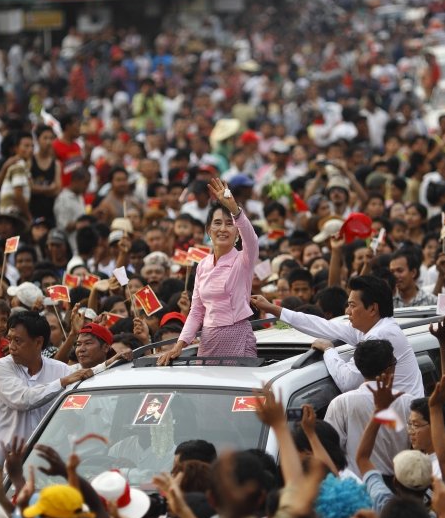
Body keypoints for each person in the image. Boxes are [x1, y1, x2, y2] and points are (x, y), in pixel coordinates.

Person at [252, 275, 425, 397]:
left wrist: (329, 350)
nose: (347, 311)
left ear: (372, 308)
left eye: (352, 305)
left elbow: (348, 381)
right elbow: (322, 326)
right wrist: (273, 308)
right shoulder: (373, 328)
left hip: (405, 423)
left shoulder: (381, 336)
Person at [157, 178, 259, 364]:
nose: (223, 229)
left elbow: (252, 240)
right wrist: (180, 344)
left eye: (229, 224)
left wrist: (235, 210)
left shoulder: (243, 259)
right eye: (217, 223)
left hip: (237, 336)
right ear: (208, 230)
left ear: (237, 232)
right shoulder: (203, 265)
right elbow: (196, 311)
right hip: (208, 339)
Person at [0, 311, 94, 443]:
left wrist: (111, 361)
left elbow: (88, 373)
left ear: (38, 342)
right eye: (9, 340)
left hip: (51, 457)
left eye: (17, 341)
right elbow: (23, 399)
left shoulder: (61, 369)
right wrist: (61, 383)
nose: (11, 347)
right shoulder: (1, 367)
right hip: (11, 459)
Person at [324, 339, 410, 476]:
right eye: (395, 362)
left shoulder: (341, 403)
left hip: (359, 488)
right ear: (389, 369)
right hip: (403, 487)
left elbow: (329, 450)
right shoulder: (407, 402)